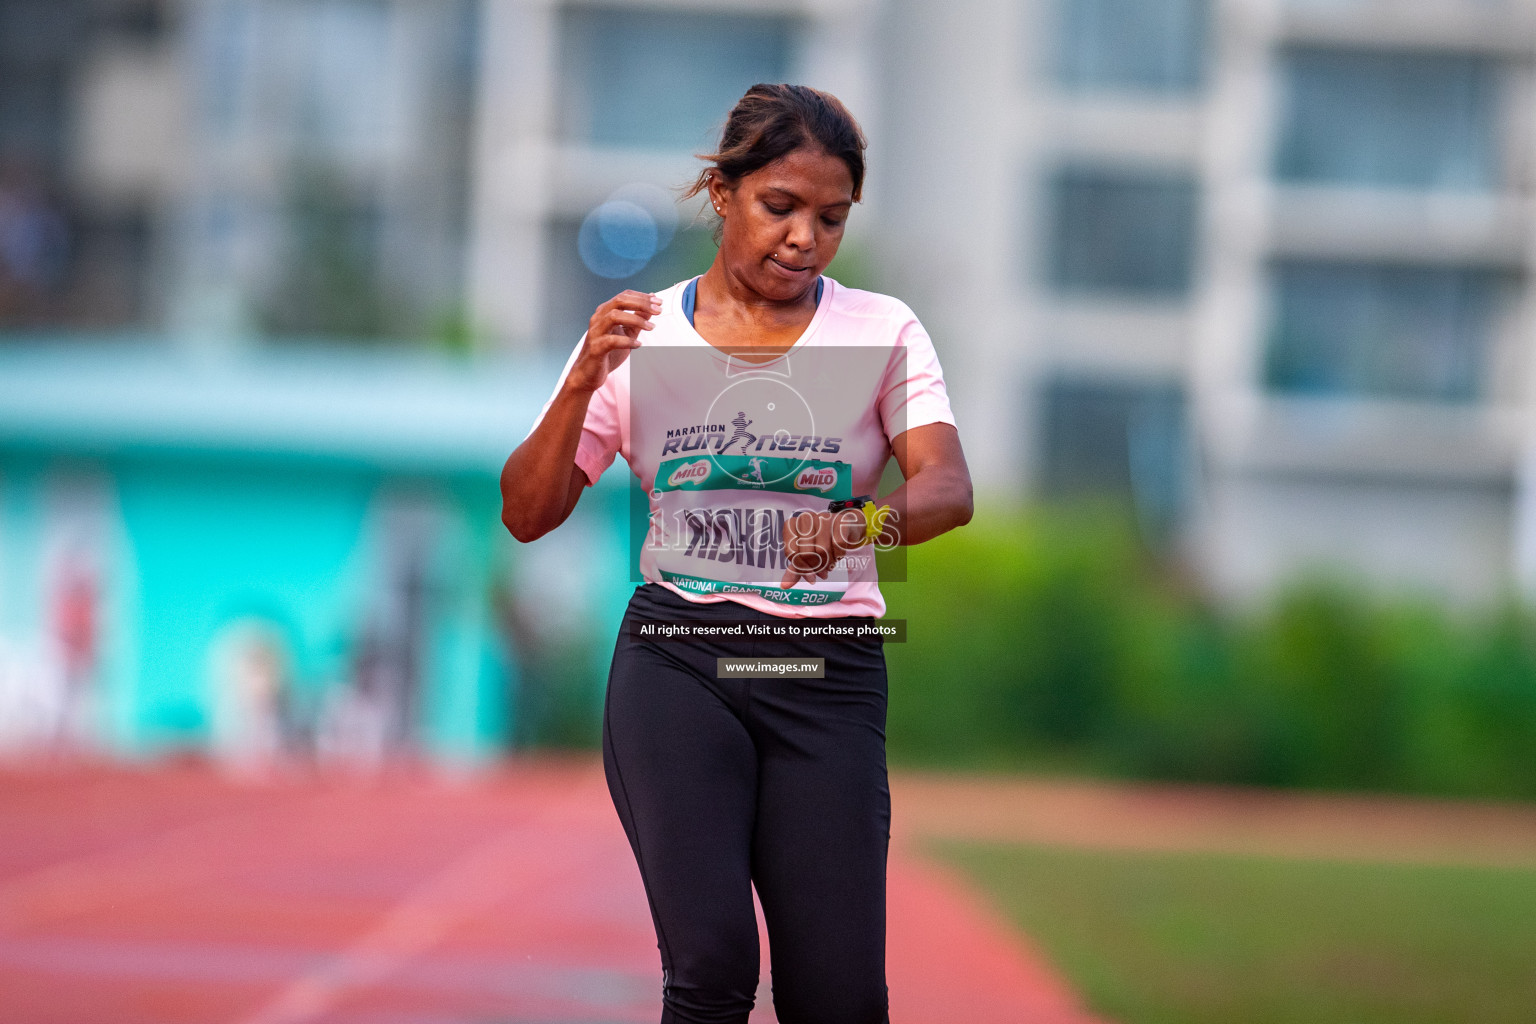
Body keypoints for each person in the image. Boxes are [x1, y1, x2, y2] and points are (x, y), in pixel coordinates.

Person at [501, 83, 972, 1024]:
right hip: (680, 659)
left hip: (824, 672)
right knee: (711, 966)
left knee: (836, 998)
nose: (805, 238)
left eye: (831, 218)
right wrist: (580, 383)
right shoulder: (640, 335)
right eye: (781, 207)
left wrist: (858, 525)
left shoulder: (882, 330)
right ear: (723, 194)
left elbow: (948, 488)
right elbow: (527, 511)